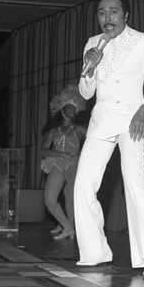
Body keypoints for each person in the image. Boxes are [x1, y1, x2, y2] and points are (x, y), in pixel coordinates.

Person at [74, 0, 144, 278]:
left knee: (135, 181)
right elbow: (85, 92)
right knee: (82, 184)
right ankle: (94, 253)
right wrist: (89, 67)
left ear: (125, 15)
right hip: (101, 122)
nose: (107, 17)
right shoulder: (93, 43)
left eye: (113, 11)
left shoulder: (142, 42)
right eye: (102, 13)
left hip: (132, 121)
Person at [41, 84, 87, 240]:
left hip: (74, 163)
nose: (73, 111)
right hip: (57, 163)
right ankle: (67, 227)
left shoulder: (79, 129)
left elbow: (94, 143)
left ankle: (81, 230)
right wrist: (60, 153)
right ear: (62, 110)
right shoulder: (53, 131)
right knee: (50, 200)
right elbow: (44, 150)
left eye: (75, 109)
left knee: (74, 198)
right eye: (69, 108)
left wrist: (80, 154)